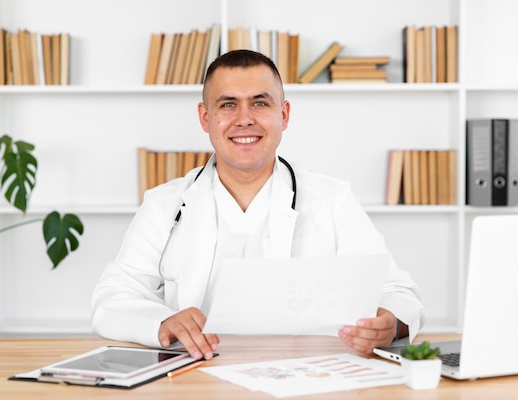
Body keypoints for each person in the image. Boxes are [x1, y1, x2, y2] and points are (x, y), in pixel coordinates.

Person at [91, 49, 425, 360]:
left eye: (260, 103)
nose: (244, 119)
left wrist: (391, 323)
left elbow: (399, 293)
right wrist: (161, 323)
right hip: (197, 377)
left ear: (284, 114)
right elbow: (112, 300)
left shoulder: (333, 200)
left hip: (306, 377)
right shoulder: (164, 204)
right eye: (228, 105)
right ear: (205, 118)